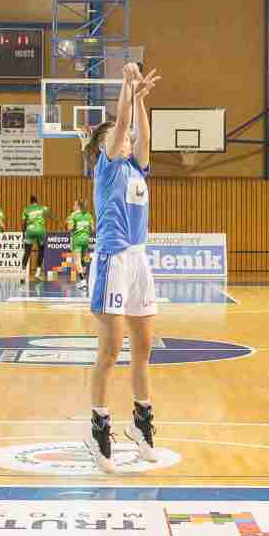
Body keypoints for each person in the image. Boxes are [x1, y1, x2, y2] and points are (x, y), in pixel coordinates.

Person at [84, 63, 162, 476]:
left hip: (138, 259)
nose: (127, 138)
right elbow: (123, 129)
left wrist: (141, 99)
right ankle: (98, 427)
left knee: (143, 349)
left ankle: (140, 424)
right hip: (112, 259)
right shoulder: (107, 167)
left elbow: (142, 136)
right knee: (110, 351)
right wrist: (127, 86)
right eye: (119, 135)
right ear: (103, 146)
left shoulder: (135, 167)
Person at [21, 193, 49, 285]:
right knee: (41, 251)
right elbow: (49, 213)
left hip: (30, 230)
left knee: (27, 252)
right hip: (40, 230)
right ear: (37, 201)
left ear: (30, 201)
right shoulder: (42, 207)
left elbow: (24, 223)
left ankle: (22, 275)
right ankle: (37, 273)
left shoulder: (26, 209)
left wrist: (23, 234)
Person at [66, 199, 94, 290]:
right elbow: (93, 229)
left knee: (77, 261)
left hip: (77, 240)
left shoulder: (73, 215)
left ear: (78, 206)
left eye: (74, 205)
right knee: (82, 260)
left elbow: (70, 228)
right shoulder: (89, 215)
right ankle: (84, 281)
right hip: (86, 240)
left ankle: (83, 282)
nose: (73, 207)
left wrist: (69, 223)